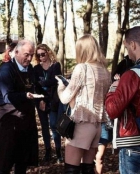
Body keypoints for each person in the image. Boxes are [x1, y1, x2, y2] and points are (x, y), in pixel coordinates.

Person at [56, 34, 111, 174]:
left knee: (71, 169)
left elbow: (65, 98)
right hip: (97, 125)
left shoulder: (82, 68)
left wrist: (61, 86)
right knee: (88, 169)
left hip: (82, 122)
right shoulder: (105, 70)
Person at [0, 39, 45, 174]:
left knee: (22, 161)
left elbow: (36, 87)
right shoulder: (6, 69)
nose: (29, 58)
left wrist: (41, 99)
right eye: (26, 54)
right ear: (16, 52)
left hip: (26, 121)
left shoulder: (30, 69)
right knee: (5, 163)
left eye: (32, 55)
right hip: (9, 121)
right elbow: (6, 96)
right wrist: (25, 96)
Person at [105, 26, 140, 174]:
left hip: (133, 142)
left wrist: (113, 89)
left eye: (126, 47)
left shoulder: (132, 74)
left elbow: (112, 109)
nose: (128, 53)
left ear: (133, 45)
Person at [95, 54, 134, 174]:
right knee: (94, 157)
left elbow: (114, 104)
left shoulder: (110, 75)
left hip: (113, 121)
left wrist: (115, 86)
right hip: (96, 120)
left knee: (99, 156)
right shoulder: (123, 64)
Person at [34, 43, 64, 163]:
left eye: (43, 54)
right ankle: (47, 150)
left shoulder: (55, 65)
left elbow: (56, 81)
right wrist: (41, 99)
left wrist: (43, 83)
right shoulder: (36, 69)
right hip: (41, 100)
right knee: (44, 126)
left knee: (54, 125)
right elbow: (35, 85)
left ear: (48, 52)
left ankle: (58, 151)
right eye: (38, 55)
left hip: (53, 101)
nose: (41, 57)